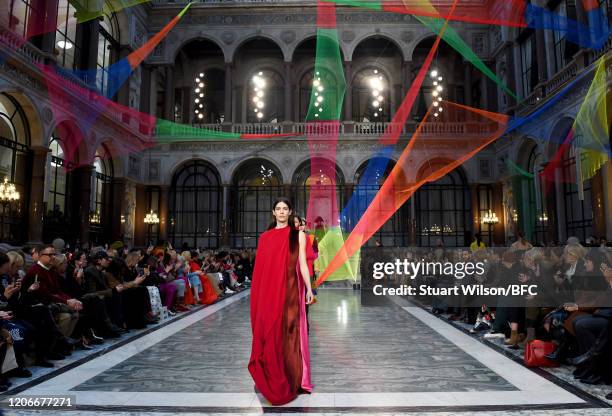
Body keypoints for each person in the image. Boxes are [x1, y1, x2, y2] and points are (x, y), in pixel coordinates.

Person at [248, 197, 314, 405]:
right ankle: (269, 374)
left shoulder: (298, 235)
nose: (282, 212)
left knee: (288, 335)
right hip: (268, 293)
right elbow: (261, 271)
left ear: (290, 212)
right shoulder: (265, 238)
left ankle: (291, 378)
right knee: (269, 332)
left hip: (290, 293)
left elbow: (303, 264)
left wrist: (309, 289)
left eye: (285, 209)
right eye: (278, 209)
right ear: (273, 213)